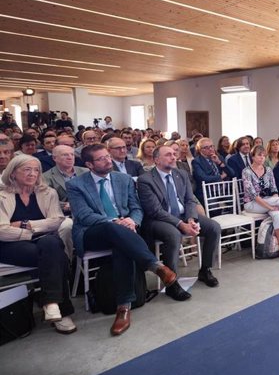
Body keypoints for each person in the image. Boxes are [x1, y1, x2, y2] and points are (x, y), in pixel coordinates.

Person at [67, 144, 178, 336]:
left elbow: (136, 207)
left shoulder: (123, 179)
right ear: (89, 164)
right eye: (101, 159)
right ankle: (154, 265)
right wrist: (116, 221)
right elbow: (84, 215)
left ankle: (123, 308)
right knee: (114, 229)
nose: (108, 160)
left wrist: (133, 221)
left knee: (122, 244)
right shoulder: (76, 184)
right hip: (92, 232)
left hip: (124, 231)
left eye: (108, 157)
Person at [0, 155, 76, 334]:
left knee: (51, 245)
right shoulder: (2, 195)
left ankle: (51, 304)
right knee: (57, 256)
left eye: (36, 170)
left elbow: (57, 221)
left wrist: (24, 224)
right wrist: (33, 232)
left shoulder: (47, 192)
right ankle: (59, 309)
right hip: (9, 245)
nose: (32, 174)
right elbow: (2, 231)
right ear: (13, 172)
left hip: (43, 241)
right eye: (26, 169)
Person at [138, 146, 221, 298]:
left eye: (174, 154)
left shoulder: (181, 174)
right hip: (158, 220)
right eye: (168, 155)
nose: (173, 157)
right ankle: (171, 283)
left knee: (213, 227)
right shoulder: (146, 180)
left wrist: (191, 219)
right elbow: (155, 211)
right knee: (174, 234)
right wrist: (181, 225)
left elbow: (189, 200)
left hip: (183, 215)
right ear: (156, 159)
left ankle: (205, 270)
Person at [242, 145, 279, 263]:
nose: (262, 158)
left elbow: (274, 188)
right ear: (252, 156)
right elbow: (254, 195)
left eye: (264, 156)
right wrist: (270, 206)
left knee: (277, 211)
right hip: (251, 204)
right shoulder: (246, 171)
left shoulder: (268, 170)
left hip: (266, 200)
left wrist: (274, 202)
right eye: (259, 155)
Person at [43, 145, 89, 218]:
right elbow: (47, 200)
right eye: (65, 155)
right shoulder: (46, 177)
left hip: (89, 210)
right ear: (54, 158)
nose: (70, 157)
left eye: (72, 154)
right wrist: (67, 205)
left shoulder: (86, 172)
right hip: (65, 215)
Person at [191, 137, 229, 201]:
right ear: (200, 150)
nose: (210, 149)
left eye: (211, 146)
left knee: (236, 203)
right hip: (207, 192)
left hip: (222, 190)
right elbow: (204, 178)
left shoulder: (219, 157)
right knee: (215, 209)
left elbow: (232, 173)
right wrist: (221, 177)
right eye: (206, 147)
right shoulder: (196, 161)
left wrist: (219, 162)